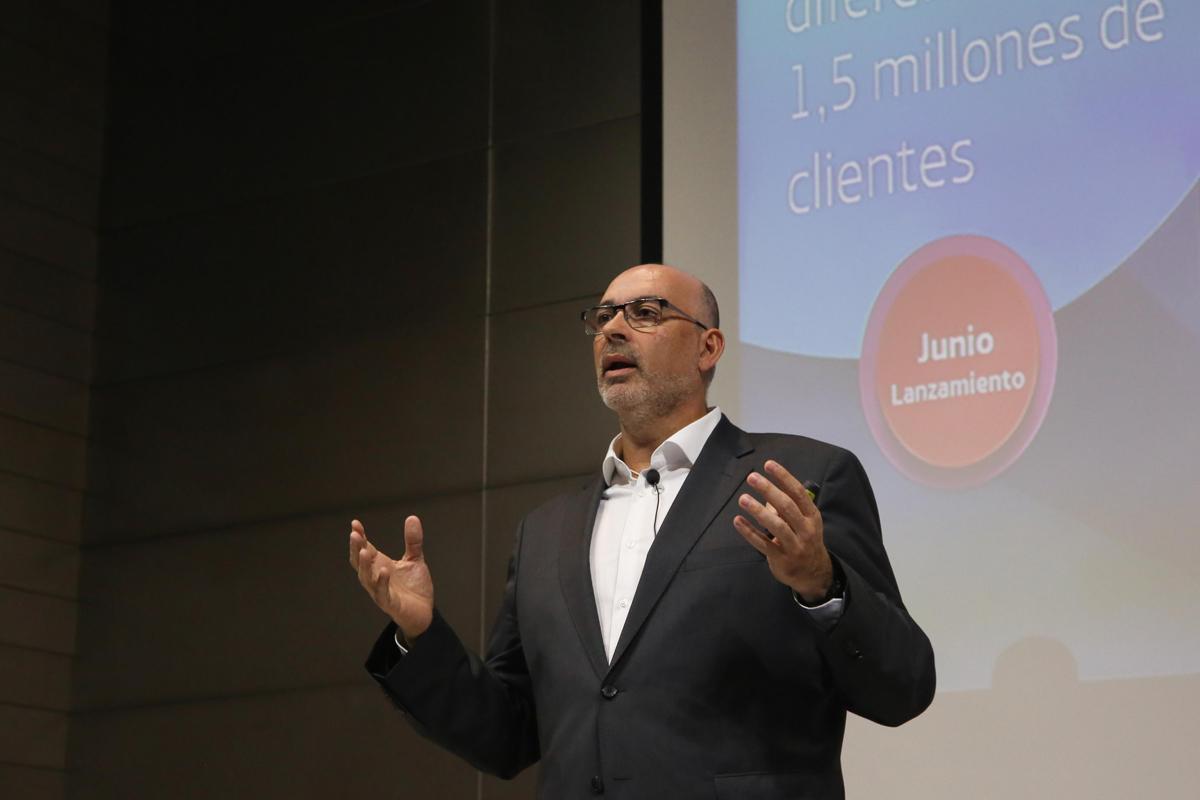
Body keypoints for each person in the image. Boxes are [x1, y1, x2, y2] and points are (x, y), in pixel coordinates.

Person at [349, 264, 935, 799]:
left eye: (646, 314)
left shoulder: (799, 480)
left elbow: (901, 687)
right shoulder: (546, 532)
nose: (613, 331)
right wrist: (420, 637)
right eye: (602, 319)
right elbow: (509, 734)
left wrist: (821, 583)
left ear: (709, 347)